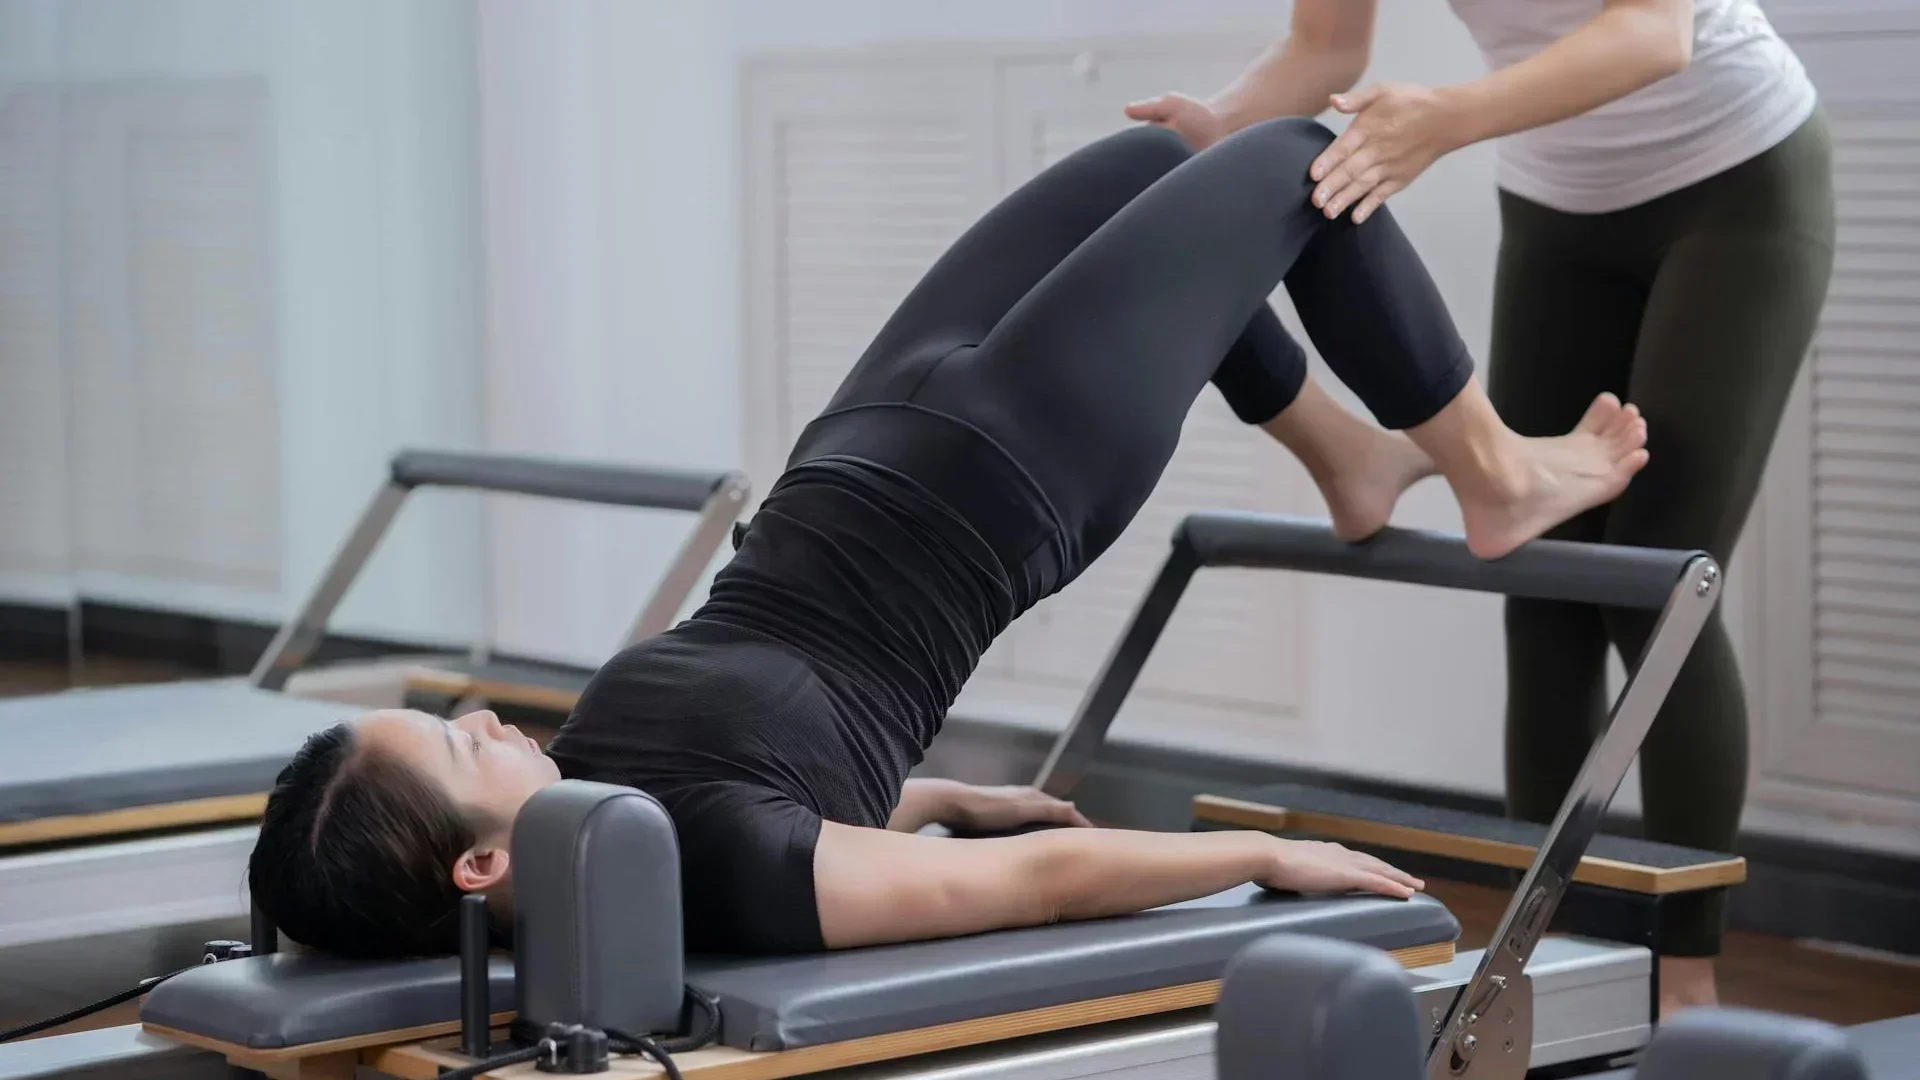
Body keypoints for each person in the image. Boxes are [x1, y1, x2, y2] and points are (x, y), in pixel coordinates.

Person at [247, 116, 1649, 962]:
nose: (484, 715)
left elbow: (808, 788)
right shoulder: (724, 871)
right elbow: (1028, 884)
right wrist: (1259, 859)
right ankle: (1491, 477)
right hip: (1015, 477)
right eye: (454, 746)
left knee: (1162, 158)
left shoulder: (608, 801)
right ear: (477, 867)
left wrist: (926, 801)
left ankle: (1349, 458)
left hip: (877, 424)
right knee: (1309, 164)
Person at [1124, 0, 1832, 1015]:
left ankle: (1687, 985)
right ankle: (1547, 966)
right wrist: (1222, 124)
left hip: (1736, 177)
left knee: (1657, 582)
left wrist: (1446, 117)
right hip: (1556, 206)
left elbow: (1656, 31)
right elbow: (1325, 46)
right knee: (1538, 585)